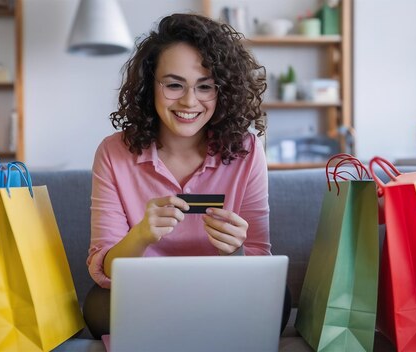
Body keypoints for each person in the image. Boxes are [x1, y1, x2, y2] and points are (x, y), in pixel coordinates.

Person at [84, 12, 290, 339]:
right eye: (174, 84)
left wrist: (234, 252)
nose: (189, 101)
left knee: (279, 303)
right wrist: (141, 235)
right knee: (97, 307)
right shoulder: (113, 152)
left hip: (222, 291)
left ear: (224, 91)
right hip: (145, 294)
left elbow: (258, 264)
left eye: (205, 86)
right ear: (149, 86)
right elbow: (105, 270)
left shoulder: (248, 151)